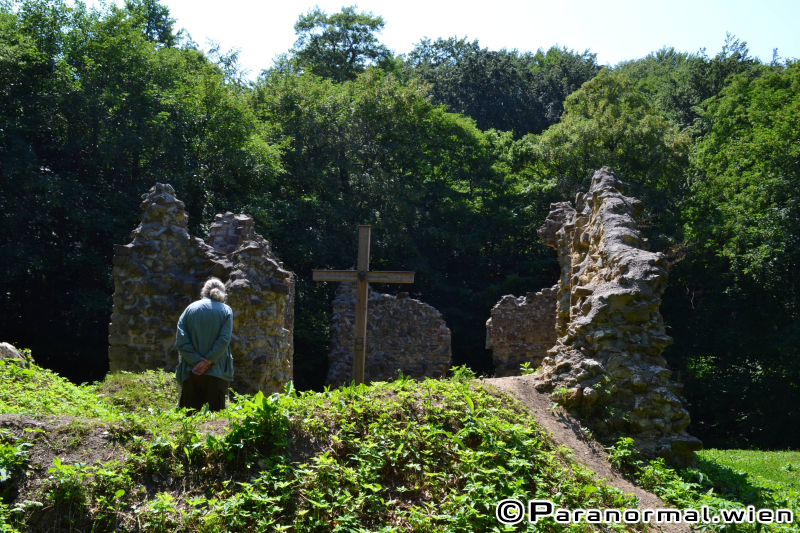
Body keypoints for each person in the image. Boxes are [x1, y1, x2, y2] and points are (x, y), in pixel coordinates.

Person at [175, 277, 234, 411]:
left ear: (204, 291)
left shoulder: (189, 309)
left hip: (191, 372)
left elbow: (181, 340)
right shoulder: (226, 310)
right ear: (222, 292)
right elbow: (224, 340)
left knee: (188, 421)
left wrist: (197, 362)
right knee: (216, 422)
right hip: (217, 373)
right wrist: (207, 362)